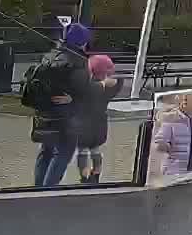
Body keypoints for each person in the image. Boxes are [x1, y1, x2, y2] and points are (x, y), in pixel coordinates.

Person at [22, 22, 91, 187]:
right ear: (82, 41)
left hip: (45, 113)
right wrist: (74, 100)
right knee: (63, 153)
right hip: (66, 117)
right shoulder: (78, 61)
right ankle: (48, 190)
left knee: (46, 151)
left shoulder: (50, 56)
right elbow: (82, 91)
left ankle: (38, 188)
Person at [71, 54, 121, 184]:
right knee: (95, 149)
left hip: (82, 123)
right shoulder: (111, 86)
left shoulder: (88, 86)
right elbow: (118, 82)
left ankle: (84, 176)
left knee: (81, 150)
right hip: (100, 124)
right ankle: (96, 174)